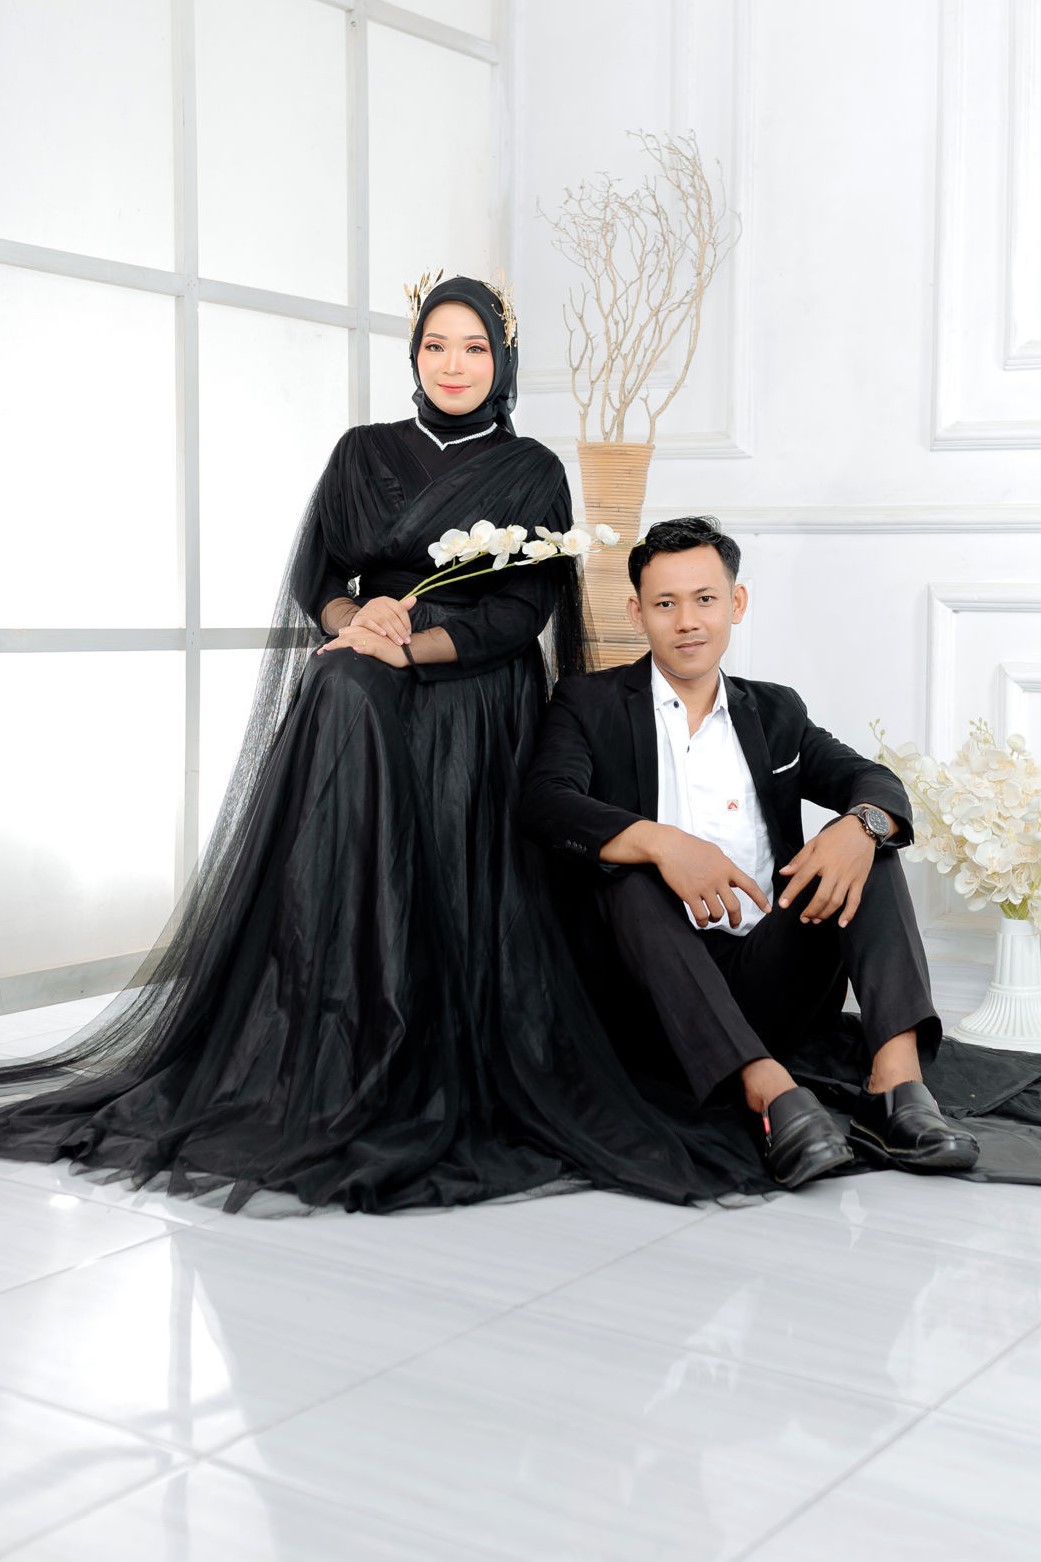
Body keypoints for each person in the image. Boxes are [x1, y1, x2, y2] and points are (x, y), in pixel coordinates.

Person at [520, 516, 982, 1188]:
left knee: (865, 845)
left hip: (771, 973)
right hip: (653, 994)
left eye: (704, 599)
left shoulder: (775, 710)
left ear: (735, 604)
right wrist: (663, 843)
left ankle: (896, 1086)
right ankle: (770, 1093)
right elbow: (545, 802)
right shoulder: (587, 702)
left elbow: (871, 780)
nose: (687, 621)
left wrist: (858, 827)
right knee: (626, 876)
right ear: (637, 613)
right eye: (665, 603)